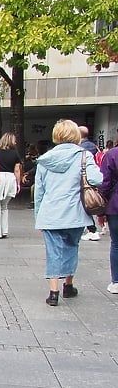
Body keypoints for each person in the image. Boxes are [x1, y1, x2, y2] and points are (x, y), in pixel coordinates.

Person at [34, 119, 102, 306]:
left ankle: (53, 292)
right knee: (72, 247)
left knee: (53, 252)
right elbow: (97, 179)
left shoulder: (45, 159)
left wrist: (38, 217)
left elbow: (39, 192)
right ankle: (69, 285)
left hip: (50, 213)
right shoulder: (84, 156)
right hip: (75, 213)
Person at [99, 139, 118, 294]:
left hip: (116, 205)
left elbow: (105, 183)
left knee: (117, 243)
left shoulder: (112, 154)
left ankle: (116, 281)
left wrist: (101, 209)